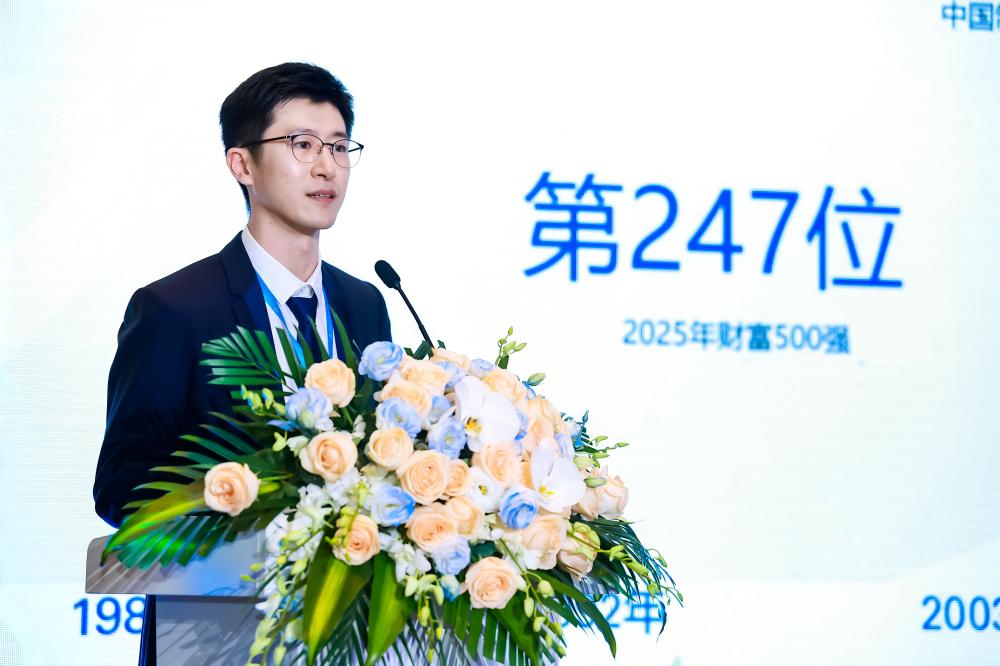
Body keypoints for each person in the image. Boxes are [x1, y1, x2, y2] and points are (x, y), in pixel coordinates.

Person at [92, 62, 391, 665]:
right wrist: (251, 516)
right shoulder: (174, 309)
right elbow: (122, 486)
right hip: (213, 636)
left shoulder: (365, 304)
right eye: (302, 144)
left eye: (339, 147)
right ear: (242, 164)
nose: (326, 166)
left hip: (345, 635)